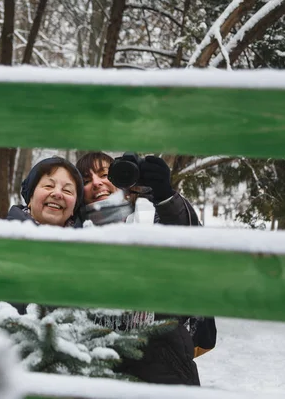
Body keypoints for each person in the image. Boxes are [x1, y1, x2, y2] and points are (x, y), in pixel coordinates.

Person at [76, 151, 217, 386]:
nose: (97, 183)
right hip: (98, 371)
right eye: (86, 180)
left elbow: (190, 247)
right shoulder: (70, 234)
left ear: (124, 178)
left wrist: (164, 194)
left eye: (104, 174)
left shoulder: (153, 215)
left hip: (165, 369)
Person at [0, 156, 84, 365]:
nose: (57, 193)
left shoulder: (87, 253)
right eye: (48, 185)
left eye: (68, 190)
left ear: (74, 206)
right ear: (30, 195)